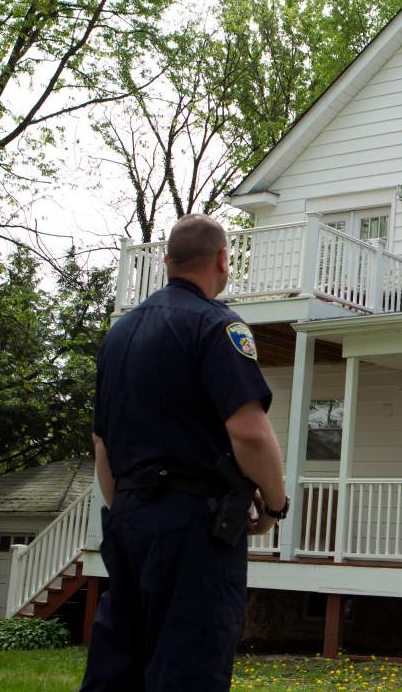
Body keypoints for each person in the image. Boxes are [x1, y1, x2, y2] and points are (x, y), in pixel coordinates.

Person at [81, 214, 288, 691]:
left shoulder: (119, 335)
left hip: (128, 519)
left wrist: (130, 509)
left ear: (168, 261)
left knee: (119, 664)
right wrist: (275, 506)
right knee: (189, 664)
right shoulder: (217, 326)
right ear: (222, 260)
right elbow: (250, 433)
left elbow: (101, 443)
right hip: (194, 526)